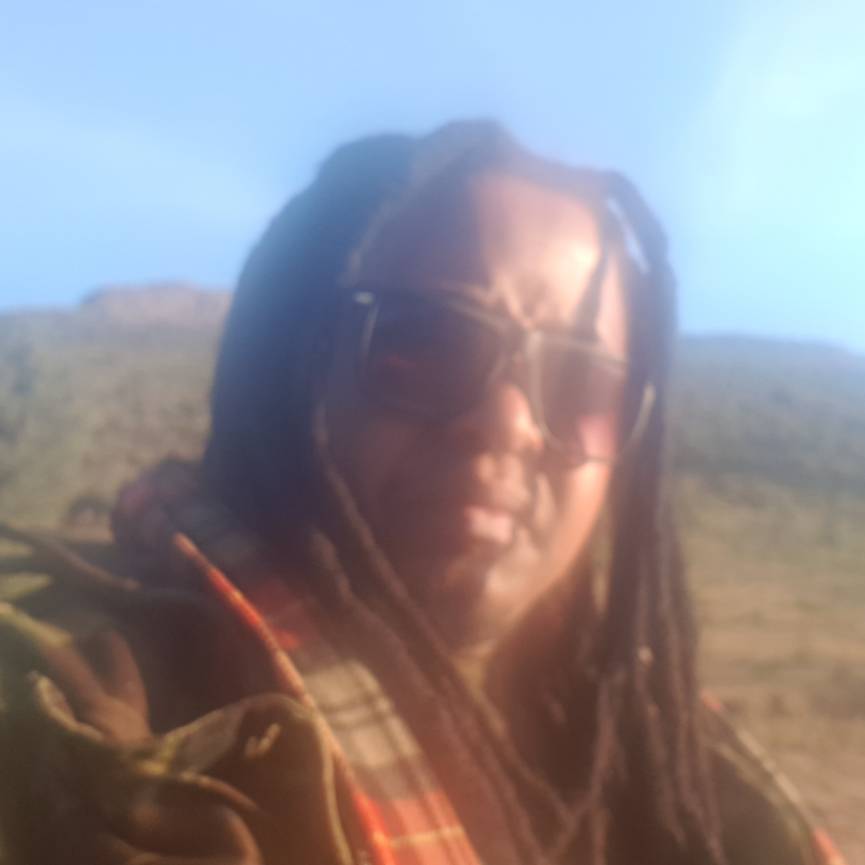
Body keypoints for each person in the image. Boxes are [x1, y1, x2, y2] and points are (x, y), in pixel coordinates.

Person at [0, 121, 843, 865]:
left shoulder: (666, 755)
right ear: (291, 362)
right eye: (420, 346)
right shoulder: (96, 705)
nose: (507, 424)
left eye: (580, 384)